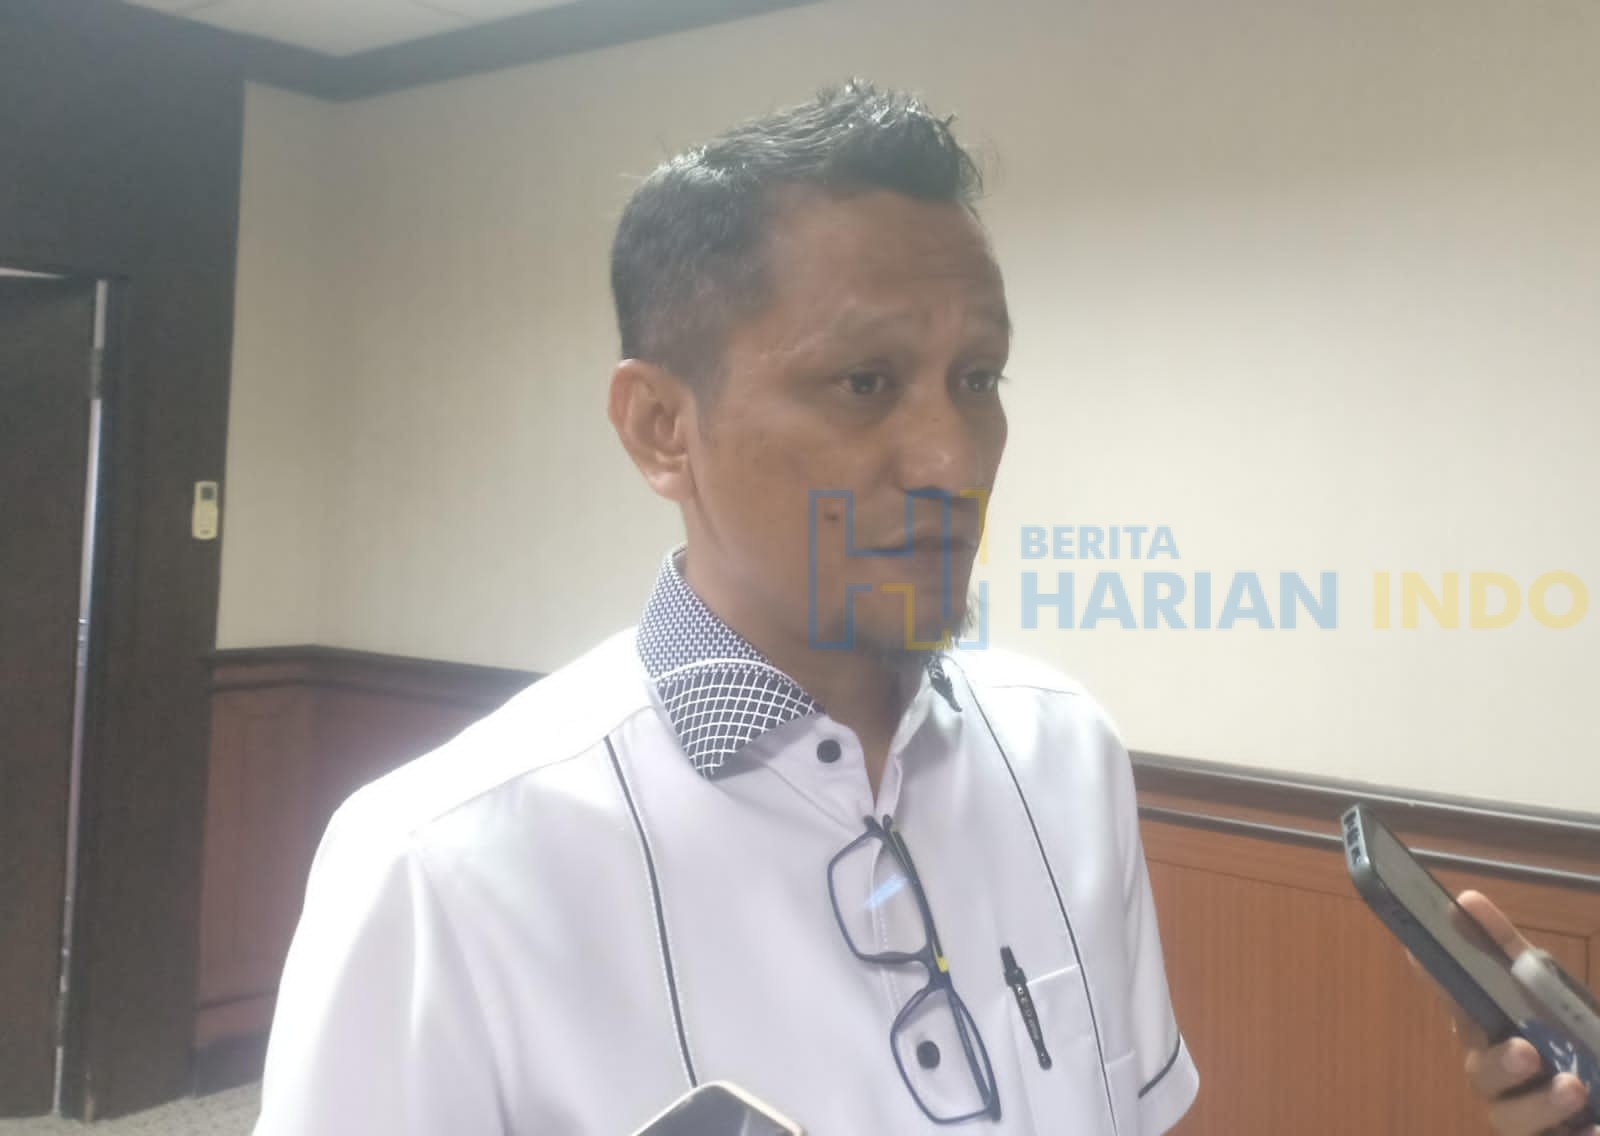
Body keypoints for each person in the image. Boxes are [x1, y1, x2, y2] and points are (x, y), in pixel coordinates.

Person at [253, 82, 1592, 1135]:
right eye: (864, 383)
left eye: (979, 379)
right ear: (661, 426)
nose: (954, 457)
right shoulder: (442, 868)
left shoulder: (1064, 752)